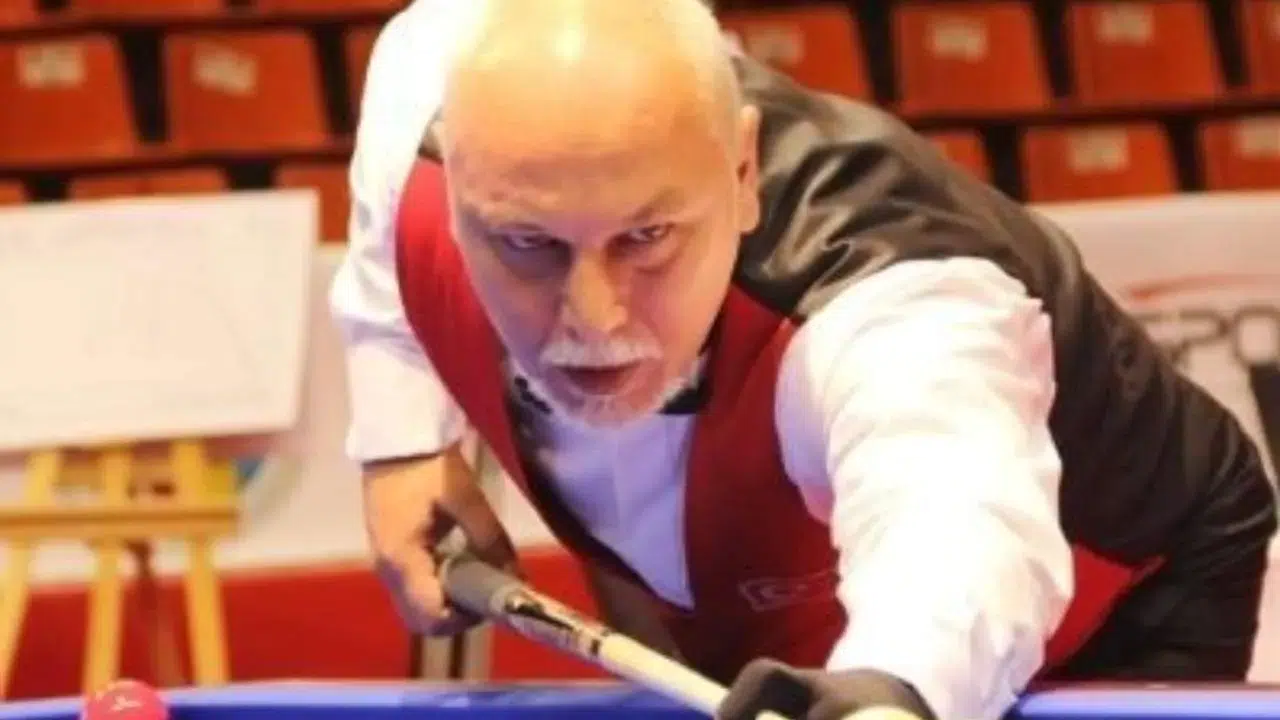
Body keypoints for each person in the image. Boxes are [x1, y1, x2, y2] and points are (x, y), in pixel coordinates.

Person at [329, 0, 1278, 718]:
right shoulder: (438, 93)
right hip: (748, 596)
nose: (594, 316)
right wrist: (400, 439)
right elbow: (415, 69)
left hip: (1127, 594)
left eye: (647, 237)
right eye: (528, 244)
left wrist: (893, 688)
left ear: (742, 173)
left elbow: (950, 514)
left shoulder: (889, 302)